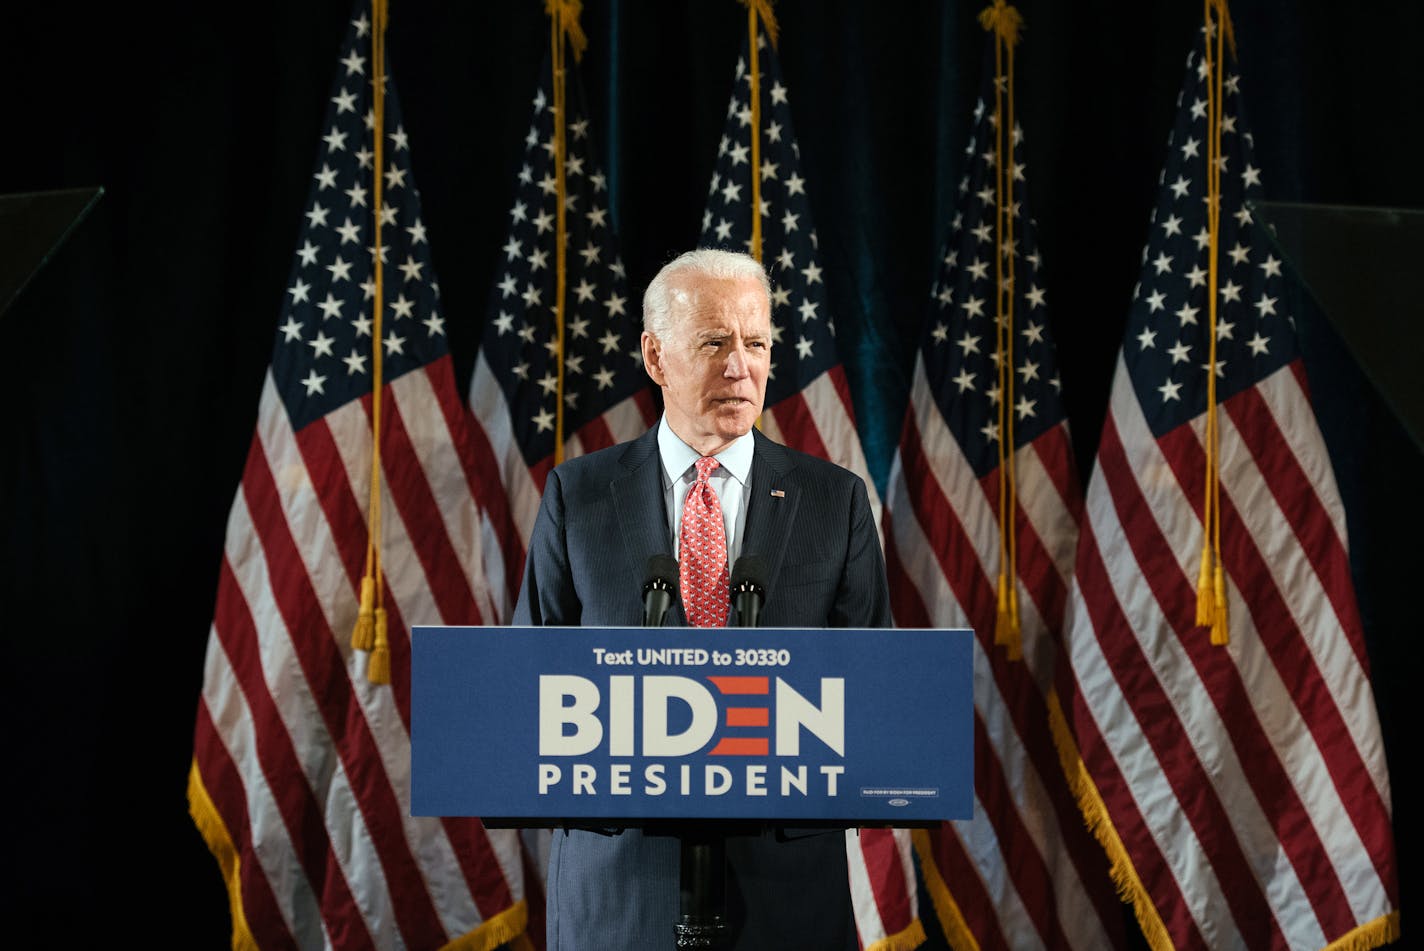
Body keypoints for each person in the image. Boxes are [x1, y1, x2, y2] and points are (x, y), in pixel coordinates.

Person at [513, 247, 891, 950]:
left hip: (786, 899)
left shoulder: (833, 501)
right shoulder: (580, 496)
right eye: (714, 342)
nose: (740, 366)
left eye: (756, 342)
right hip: (621, 893)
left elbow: (876, 695)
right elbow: (527, 687)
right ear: (656, 357)